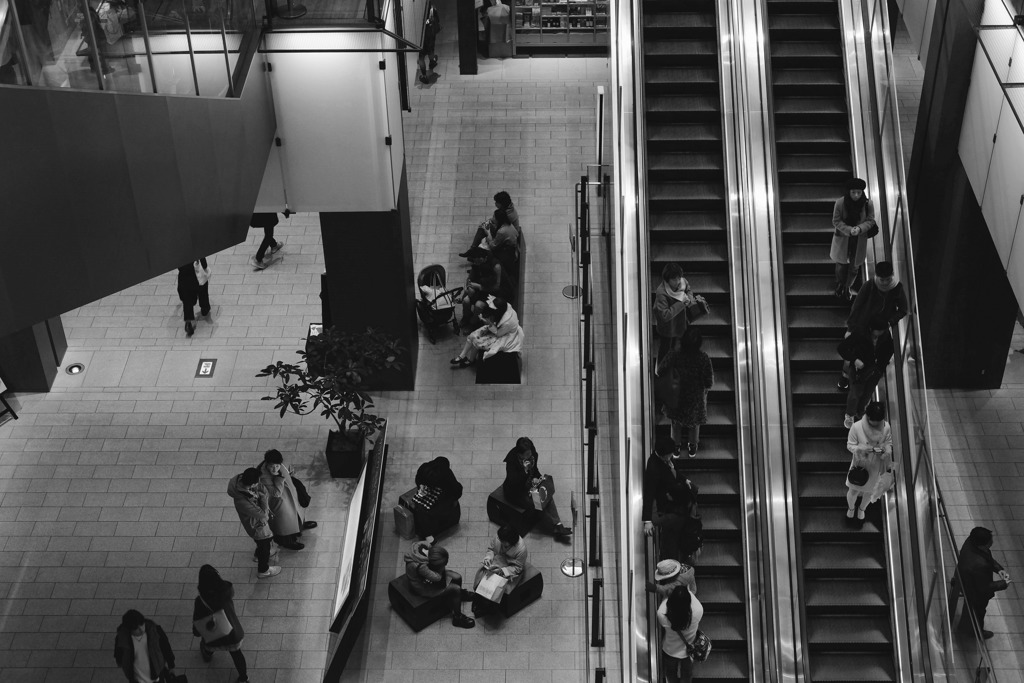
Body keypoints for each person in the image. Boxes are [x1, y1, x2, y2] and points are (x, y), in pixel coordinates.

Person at [839, 260, 908, 391]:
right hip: (862, 327)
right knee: (852, 353)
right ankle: (845, 377)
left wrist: (889, 322)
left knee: (870, 356)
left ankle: (860, 380)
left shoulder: (897, 288)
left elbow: (903, 310)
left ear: (892, 276)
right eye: (882, 280)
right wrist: (850, 328)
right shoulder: (869, 286)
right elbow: (856, 307)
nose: (884, 283)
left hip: (880, 330)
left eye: (887, 279)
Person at [501, 436, 572, 540]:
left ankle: (557, 524)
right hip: (516, 491)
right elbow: (513, 482)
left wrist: (538, 478)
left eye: (530, 453)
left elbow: (535, 470)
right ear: (520, 455)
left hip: (530, 484)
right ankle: (543, 518)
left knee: (546, 493)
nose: (530, 456)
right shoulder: (512, 462)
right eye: (527, 455)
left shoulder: (532, 454)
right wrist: (524, 471)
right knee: (536, 500)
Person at [659, 328, 714, 457]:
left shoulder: (674, 355)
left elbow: (660, 370)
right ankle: (692, 446)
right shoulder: (703, 359)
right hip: (695, 400)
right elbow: (708, 382)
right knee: (694, 423)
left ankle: (676, 447)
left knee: (675, 422)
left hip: (676, 397)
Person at [643, 435, 698, 561]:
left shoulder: (665, 459)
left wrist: (684, 480)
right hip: (666, 504)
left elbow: (674, 472)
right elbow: (649, 493)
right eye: (670, 454)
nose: (672, 456)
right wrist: (647, 521)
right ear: (664, 455)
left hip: (673, 497)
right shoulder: (653, 469)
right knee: (677, 526)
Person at [192, 565, 249, 681]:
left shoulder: (201, 601)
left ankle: (207, 654)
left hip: (214, 633)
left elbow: (197, 619)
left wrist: (196, 632)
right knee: (237, 654)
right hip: (231, 629)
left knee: (208, 644)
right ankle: (243, 677)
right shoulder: (227, 590)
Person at [404, 539, 476, 628]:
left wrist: (439, 568)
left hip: (429, 573)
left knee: (457, 577)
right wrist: (440, 570)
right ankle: (457, 617)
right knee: (455, 588)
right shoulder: (421, 566)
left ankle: (460, 596)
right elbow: (437, 578)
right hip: (422, 585)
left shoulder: (424, 546)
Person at [838, 316, 894, 427]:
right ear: (872, 328)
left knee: (868, 393)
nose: (880, 333)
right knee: (855, 393)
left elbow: (889, 350)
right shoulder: (860, 334)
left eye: (882, 331)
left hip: (875, 371)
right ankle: (850, 414)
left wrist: (881, 367)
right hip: (859, 370)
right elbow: (842, 348)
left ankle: (860, 411)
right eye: (879, 330)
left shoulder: (885, 337)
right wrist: (855, 360)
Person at [957, 526, 1011, 639]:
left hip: (966, 580)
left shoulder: (971, 542)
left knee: (970, 610)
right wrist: (1004, 583)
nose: (992, 542)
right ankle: (976, 632)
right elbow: (984, 588)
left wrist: (998, 569)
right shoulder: (979, 565)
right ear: (983, 545)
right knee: (978, 612)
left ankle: (965, 629)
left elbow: (986, 556)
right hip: (975, 593)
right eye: (990, 542)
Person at [257, 449, 317, 551]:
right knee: (284, 523)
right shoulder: (263, 476)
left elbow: (285, 473)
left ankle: (300, 526)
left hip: (289, 496)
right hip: (279, 503)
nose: (275, 469)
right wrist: (279, 478)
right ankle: (287, 542)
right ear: (267, 464)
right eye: (272, 466)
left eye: (277, 465)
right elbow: (275, 493)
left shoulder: (279, 464)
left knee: (295, 513)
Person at [227, 467, 281, 578]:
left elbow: (261, 488)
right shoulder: (243, 501)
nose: (260, 484)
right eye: (257, 482)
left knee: (264, 543)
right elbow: (263, 515)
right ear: (252, 484)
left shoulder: (241, 482)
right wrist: (264, 497)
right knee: (264, 546)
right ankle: (263, 570)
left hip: (257, 523)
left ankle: (258, 555)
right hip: (257, 526)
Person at [845, 401, 893, 520]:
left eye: (879, 421)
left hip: (876, 466)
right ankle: (851, 508)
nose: (876, 423)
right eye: (873, 420)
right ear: (868, 416)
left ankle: (862, 509)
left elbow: (889, 443)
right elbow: (850, 445)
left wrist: (884, 450)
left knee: (870, 491)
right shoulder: (857, 426)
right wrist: (863, 449)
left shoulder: (886, 427)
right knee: (853, 490)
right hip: (859, 464)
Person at [830, 178, 877, 300]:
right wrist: (849, 230)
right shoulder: (840, 203)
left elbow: (871, 220)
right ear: (849, 192)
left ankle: (847, 287)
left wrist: (859, 229)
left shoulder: (868, 204)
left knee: (854, 267)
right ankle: (840, 283)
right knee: (841, 265)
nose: (856, 195)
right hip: (844, 239)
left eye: (859, 192)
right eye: (853, 192)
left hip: (859, 239)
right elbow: (836, 221)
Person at [450, 296, 524, 368]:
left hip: (504, 335)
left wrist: (488, 324)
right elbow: (496, 321)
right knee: (472, 336)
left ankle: (471, 360)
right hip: (497, 327)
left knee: (477, 341)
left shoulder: (508, 322)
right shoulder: (503, 307)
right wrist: (488, 324)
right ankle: (462, 356)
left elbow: (498, 333)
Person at [654, 263, 706, 364]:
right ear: (667, 280)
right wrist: (682, 303)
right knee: (665, 348)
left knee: (678, 346)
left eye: (679, 278)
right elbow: (664, 315)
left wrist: (690, 298)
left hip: (681, 323)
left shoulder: (683, 282)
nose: (678, 282)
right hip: (668, 328)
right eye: (674, 279)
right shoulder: (661, 293)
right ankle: (660, 370)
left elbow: (688, 290)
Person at [472, 525, 527, 616]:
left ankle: (488, 606)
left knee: (496, 585)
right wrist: (488, 558)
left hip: (510, 569)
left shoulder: (521, 549)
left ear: (512, 542)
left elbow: (518, 568)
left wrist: (502, 571)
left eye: (503, 542)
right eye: (500, 540)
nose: (500, 542)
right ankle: (478, 597)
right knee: (482, 575)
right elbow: (491, 549)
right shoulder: (499, 537)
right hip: (498, 560)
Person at [656, 585, 704, 683]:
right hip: (689, 651)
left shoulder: (662, 614)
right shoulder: (698, 610)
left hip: (670, 650)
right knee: (687, 675)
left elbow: (666, 601)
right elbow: (690, 596)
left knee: (670, 673)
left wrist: (667, 593)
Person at [113, 610, 177, 683]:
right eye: (136, 628)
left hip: (157, 674)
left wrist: (171, 665)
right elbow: (118, 653)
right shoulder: (122, 638)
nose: (141, 629)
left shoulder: (155, 631)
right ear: (129, 629)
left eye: (142, 624)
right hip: (137, 678)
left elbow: (166, 648)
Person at [413, 456, 463, 538]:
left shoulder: (446, 475)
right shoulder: (424, 470)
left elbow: (457, 490)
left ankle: (429, 535)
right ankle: (428, 534)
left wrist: (453, 501)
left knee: (424, 512)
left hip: (444, 497)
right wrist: (421, 486)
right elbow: (418, 479)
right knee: (420, 509)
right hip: (431, 493)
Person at [460, 247, 504, 330]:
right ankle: (466, 317)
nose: (475, 263)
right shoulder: (477, 264)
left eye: (476, 261)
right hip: (477, 290)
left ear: (482, 258)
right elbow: (470, 277)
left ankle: (473, 323)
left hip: (491, 293)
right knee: (466, 301)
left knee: (478, 305)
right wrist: (468, 286)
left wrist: (479, 287)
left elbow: (497, 287)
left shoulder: (495, 266)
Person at [177, 257, 210, 337]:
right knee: (203, 290)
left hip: (185, 278)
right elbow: (203, 263)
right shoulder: (195, 249)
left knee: (187, 301)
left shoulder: (178, 253)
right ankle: (204, 308)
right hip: (197, 276)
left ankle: (188, 321)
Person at [417, 2, 440, 84]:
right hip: (431, 35)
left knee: (421, 58)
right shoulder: (432, 9)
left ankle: (424, 76)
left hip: (422, 39)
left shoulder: (418, 14)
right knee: (430, 50)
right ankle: (432, 62)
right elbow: (438, 20)